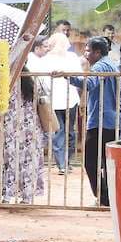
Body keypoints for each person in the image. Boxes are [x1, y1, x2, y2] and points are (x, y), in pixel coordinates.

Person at [68, 37, 119, 207]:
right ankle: (109, 198)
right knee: (105, 162)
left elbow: (89, 83)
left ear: (97, 52)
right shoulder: (109, 64)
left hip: (102, 121)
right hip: (110, 119)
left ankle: (105, 199)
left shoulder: (100, 66)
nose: (85, 54)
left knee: (91, 161)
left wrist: (68, 77)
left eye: (88, 50)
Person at [0, 65, 46, 205]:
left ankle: (7, 196)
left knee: (11, 161)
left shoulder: (6, 84)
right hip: (32, 128)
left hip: (11, 127)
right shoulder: (35, 83)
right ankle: (27, 197)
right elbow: (44, 102)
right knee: (30, 162)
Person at [45, 32, 80, 173]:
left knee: (66, 131)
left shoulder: (70, 57)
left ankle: (65, 162)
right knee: (62, 131)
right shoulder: (48, 59)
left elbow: (78, 75)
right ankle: (62, 163)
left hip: (68, 99)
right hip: (58, 99)